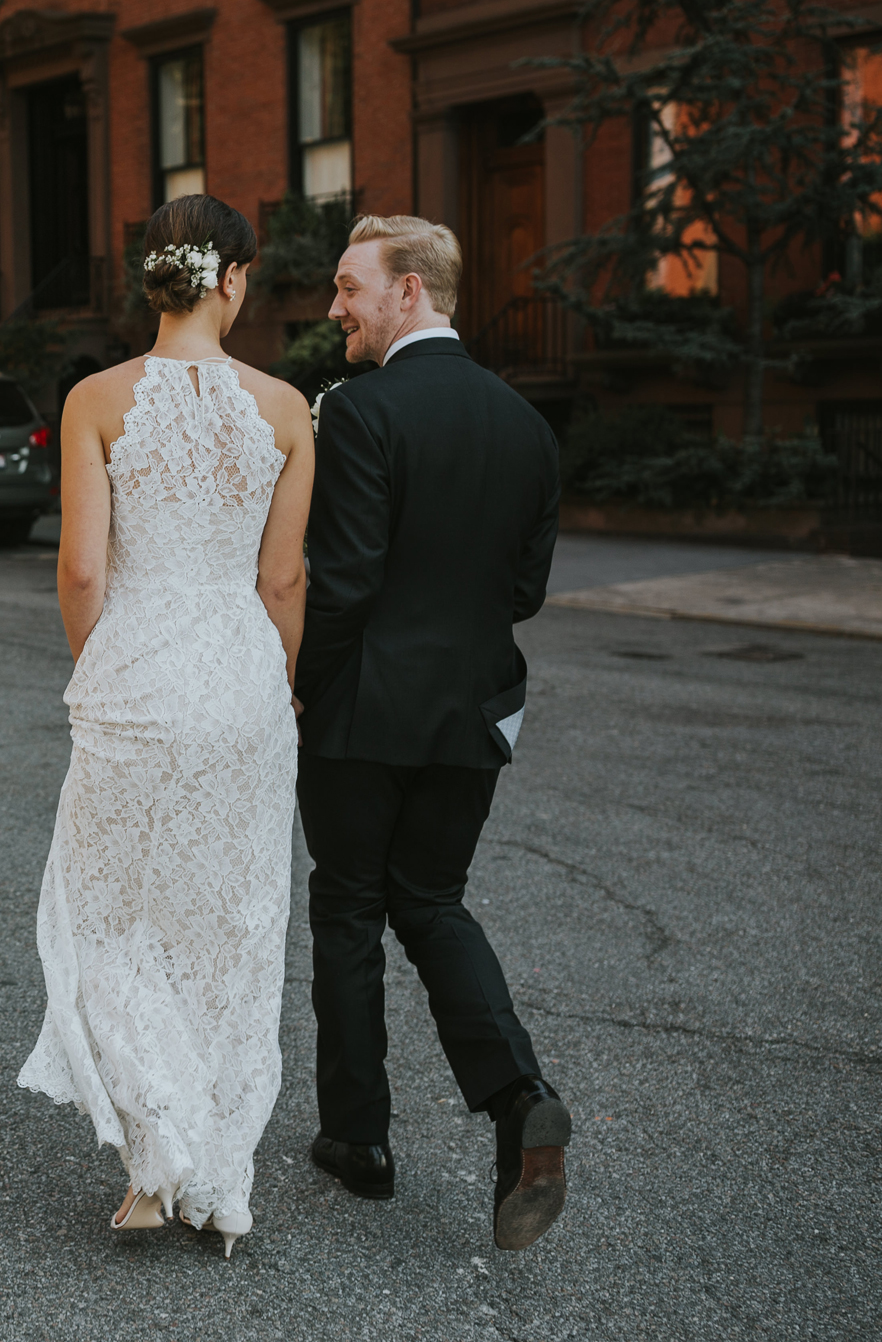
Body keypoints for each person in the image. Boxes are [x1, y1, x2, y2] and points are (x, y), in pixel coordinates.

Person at [17, 195, 315, 1256]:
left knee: (109, 915)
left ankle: (155, 1159)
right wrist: (283, 679)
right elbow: (282, 576)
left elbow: (83, 567)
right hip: (238, 681)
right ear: (231, 279)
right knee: (231, 921)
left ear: (156, 277)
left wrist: (97, 667)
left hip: (133, 677)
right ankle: (216, 1177)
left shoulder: (97, 398)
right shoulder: (285, 409)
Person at [296, 214, 568, 1252]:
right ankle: (517, 1096)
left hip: (363, 710)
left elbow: (346, 581)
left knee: (350, 907)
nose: (336, 308)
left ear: (408, 291)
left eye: (349, 287)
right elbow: (525, 590)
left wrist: (299, 684)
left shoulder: (361, 413)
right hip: (472, 708)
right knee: (434, 899)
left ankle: (359, 1138)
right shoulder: (527, 426)